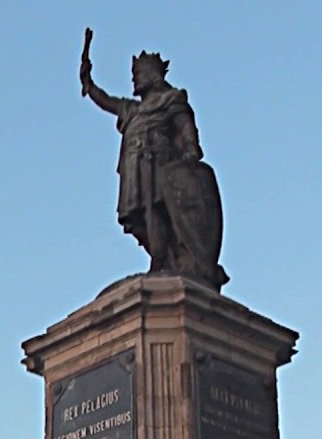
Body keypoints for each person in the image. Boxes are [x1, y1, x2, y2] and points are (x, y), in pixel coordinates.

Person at [80, 42, 228, 289]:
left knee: (159, 210)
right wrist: (88, 81)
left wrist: (192, 148)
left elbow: (185, 126)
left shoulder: (172, 99)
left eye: (138, 75)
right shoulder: (131, 109)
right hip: (134, 167)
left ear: (152, 74)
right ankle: (159, 258)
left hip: (160, 164)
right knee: (140, 216)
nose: (134, 81)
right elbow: (105, 101)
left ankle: (164, 260)